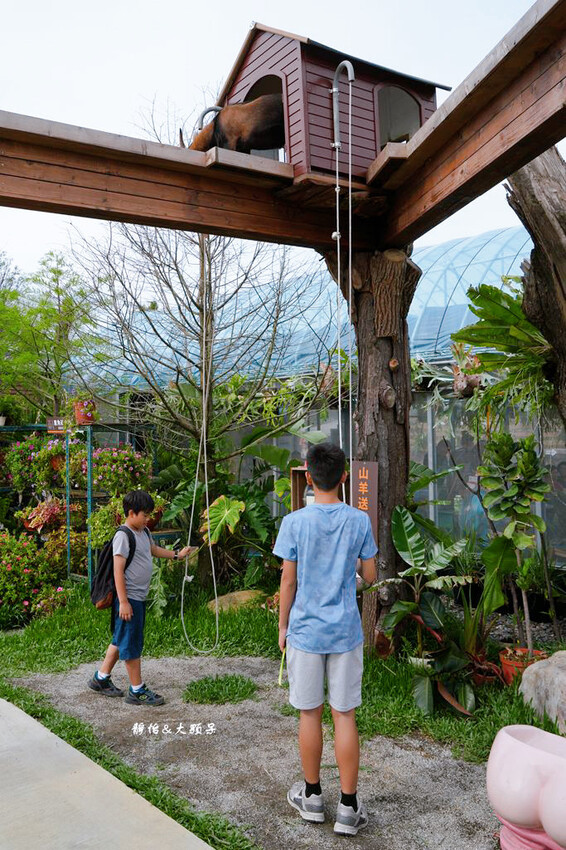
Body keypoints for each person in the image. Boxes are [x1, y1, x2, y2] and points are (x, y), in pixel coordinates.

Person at [274, 442, 377, 836]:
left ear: (307, 474)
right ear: (344, 476)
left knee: (309, 713)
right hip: (346, 633)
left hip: (305, 632)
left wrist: (283, 628)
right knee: (344, 715)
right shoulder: (359, 521)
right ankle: (349, 808)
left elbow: (288, 579)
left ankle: (313, 797)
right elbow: (369, 577)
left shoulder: (294, 522)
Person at [88, 489, 194, 705]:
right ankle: (136, 690)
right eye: (144, 514)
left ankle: (100, 678)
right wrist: (124, 602)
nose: (148, 519)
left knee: (120, 638)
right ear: (131, 513)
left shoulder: (143, 532)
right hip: (130, 599)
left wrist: (176, 555)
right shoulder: (123, 536)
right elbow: (118, 571)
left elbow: (153, 550)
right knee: (131, 643)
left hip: (137, 597)